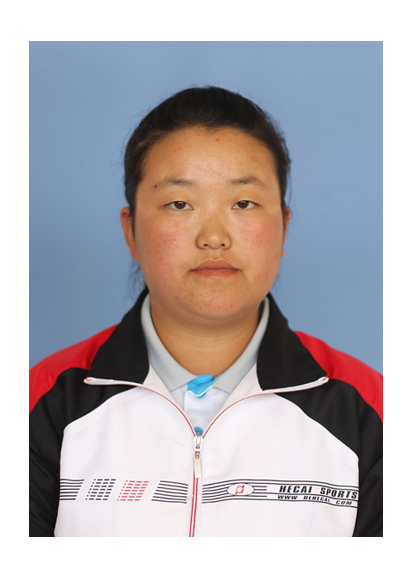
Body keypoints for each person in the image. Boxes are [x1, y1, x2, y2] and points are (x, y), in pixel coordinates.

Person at [29, 86, 383, 537]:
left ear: (283, 227)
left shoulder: (371, 411)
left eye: (243, 203)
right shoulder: (41, 401)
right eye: (179, 204)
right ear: (131, 231)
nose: (214, 237)